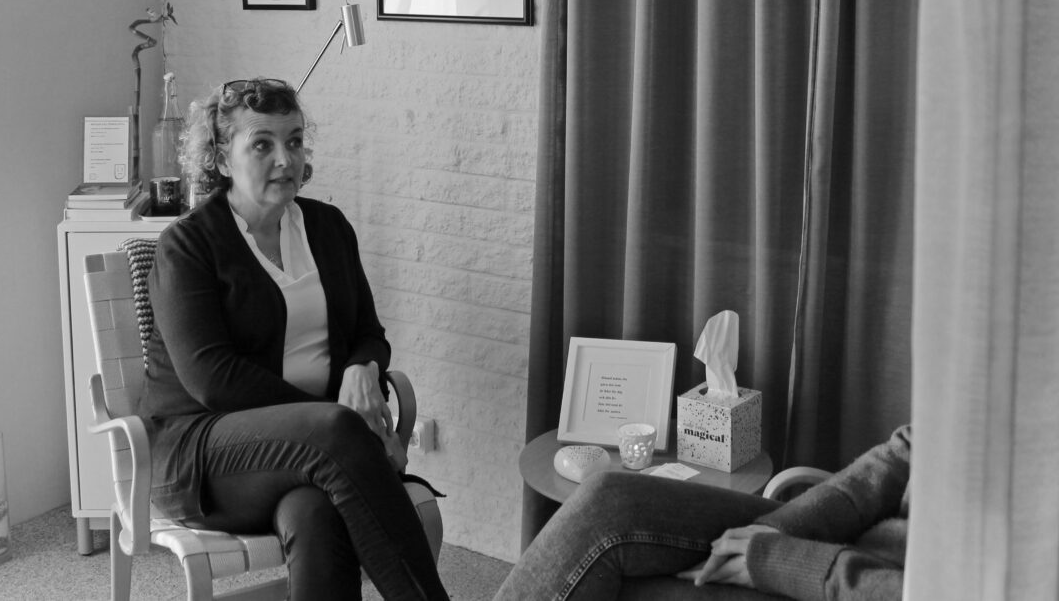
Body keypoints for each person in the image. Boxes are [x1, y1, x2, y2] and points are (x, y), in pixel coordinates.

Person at [137, 77, 449, 601]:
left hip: (317, 451)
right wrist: (337, 422)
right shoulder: (187, 247)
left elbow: (368, 334)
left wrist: (362, 368)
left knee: (314, 509)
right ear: (221, 158)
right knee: (335, 438)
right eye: (262, 144)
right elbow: (214, 381)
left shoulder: (328, 228)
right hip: (201, 455)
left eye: (295, 140)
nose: (286, 159)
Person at [494, 426, 911, 601]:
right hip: (851, 552)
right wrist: (776, 530)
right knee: (608, 501)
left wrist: (791, 562)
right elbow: (899, 457)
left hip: (862, 585)